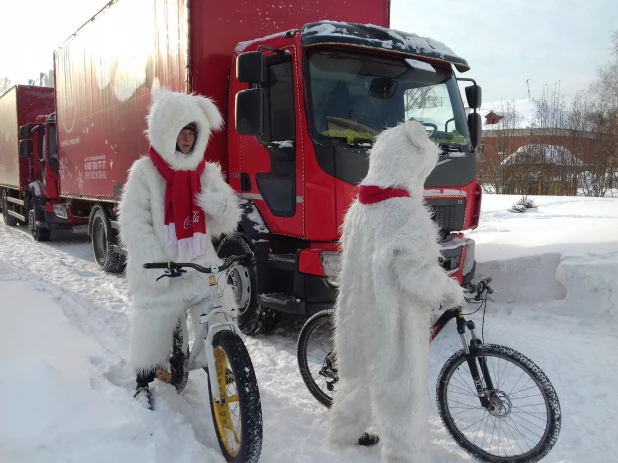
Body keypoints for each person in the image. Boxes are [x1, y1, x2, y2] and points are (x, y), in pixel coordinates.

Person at [328, 120, 464, 462]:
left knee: (356, 372)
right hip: (394, 317)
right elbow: (416, 274)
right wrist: (449, 290)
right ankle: (406, 455)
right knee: (403, 389)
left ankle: (347, 430)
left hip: (358, 310)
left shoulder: (360, 207)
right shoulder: (405, 212)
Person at [118, 89, 241, 409]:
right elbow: (135, 224)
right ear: (166, 131)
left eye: (192, 132)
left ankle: (224, 362)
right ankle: (143, 381)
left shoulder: (207, 173)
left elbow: (228, 216)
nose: (187, 139)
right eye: (181, 132)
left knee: (221, 309)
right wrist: (155, 264)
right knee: (154, 323)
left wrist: (215, 204)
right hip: (163, 266)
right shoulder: (145, 173)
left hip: (199, 260)